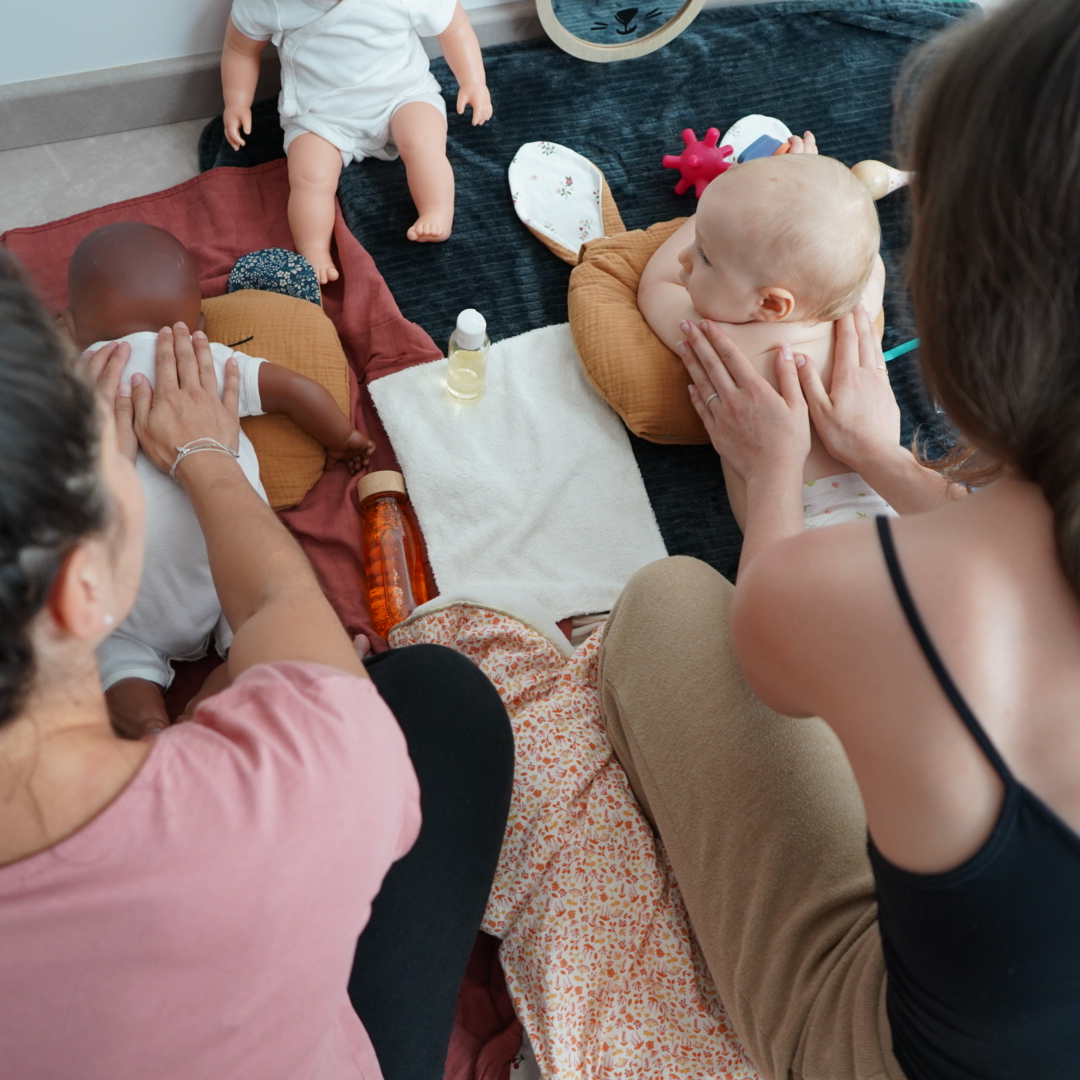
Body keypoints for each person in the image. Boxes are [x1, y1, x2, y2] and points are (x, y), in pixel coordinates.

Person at [598, 1, 1080, 1078]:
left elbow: (772, 632)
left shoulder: (887, 594)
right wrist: (885, 462)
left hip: (895, 1046)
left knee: (670, 600)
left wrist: (774, 471)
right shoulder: (940, 514)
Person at [0, 254, 514, 1080]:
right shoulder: (315, 764)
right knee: (445, 699)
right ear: (79, 586)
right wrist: (205, 450)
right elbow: (284, 609)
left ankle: (160, 726)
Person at [65, 221, 375, 739]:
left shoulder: (70, 389)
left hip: (120, 608)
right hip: (226, 579)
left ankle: (147, 724)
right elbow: (296, 392)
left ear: (72, 327)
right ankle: (212, 703)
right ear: (200, 321)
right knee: (267, 622)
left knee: (114, 658)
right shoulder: (200, 361)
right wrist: (344, 440)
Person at [638, 144, 889, 528]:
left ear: (772, 305)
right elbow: (864, 260)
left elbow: (655, 286)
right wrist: (802, 192)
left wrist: (717, 212)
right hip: (894, 520)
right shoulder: (858, 315)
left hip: (802, 547)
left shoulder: (727, 347)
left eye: (704, 254)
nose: (685, 258)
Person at [221, 0, 493, 278]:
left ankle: (436, 211)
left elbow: (453, 25)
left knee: (423, 143)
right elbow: (240, 50)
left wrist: (473, 81)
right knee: (309, 177)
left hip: (401, 96)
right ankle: (313, 250)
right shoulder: (272, 3)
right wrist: (237, 102)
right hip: (320, 115)